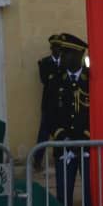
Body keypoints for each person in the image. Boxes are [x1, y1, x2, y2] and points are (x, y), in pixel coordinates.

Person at [44, 34, 94, 206]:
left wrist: (86, 134)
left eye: (66, 53)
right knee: (63, 198)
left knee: (91, 197)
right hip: (64, 147)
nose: (61, 56)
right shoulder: (55, 81)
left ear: (77, 55)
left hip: (88, 146)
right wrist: (61, 135)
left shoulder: (92, 80)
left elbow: (97, 111)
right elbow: (48, 114)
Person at [35, 34, 63, 169]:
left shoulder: (65, 62)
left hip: (62, 103)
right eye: (56, 47)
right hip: (49, 103)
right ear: (52, 48)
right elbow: (45, 80)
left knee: (62, 132)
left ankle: (59, 158)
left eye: (60, 48)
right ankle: (37, 161)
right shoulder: (44, 63)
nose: (58, 50)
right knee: (44, 133)